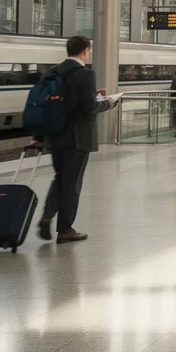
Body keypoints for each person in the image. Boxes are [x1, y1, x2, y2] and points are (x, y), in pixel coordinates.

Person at [33, 36, 115, 243]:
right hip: (78, 138)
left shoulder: (52, 72)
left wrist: (39, 136)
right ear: (86, 51)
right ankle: (65, 230)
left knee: (59, 178)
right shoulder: (86, 74)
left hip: (55, 136)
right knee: (72, 183)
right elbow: (88, 108)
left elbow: (45, 104)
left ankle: (47, 216)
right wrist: (108, 103)